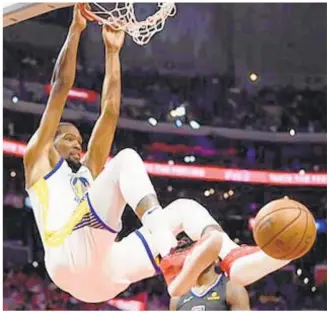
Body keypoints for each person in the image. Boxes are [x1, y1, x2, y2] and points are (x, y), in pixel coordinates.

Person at [23, 5, 178, 303]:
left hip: (102, 279)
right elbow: (60, 86)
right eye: (69, 138)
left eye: (79, 140)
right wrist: (76, 29)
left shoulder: (87, 170)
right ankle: (165, 247)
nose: (78, 144)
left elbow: (110, 112)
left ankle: (224, 257)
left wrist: (112, 53)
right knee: (127, 159)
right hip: (64, 254)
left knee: (183, 211)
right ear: (51, 140)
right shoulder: (39, 160)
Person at [169, 237, 250, 311]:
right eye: (194, 256)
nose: (197, 259)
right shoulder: (177, 298)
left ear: (216, 258)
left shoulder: (232, 290)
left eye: (202, 254)